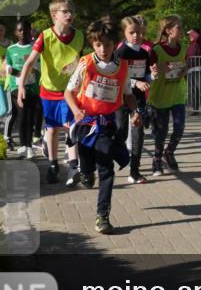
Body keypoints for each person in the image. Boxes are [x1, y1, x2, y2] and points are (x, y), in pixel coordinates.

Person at [64, 17, 139, 234]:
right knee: (87, 163)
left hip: (106, 124)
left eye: (107, 44)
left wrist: (135, 111)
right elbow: (69, 92)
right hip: (86, 123)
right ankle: (86, 172)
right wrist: (76, 110)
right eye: (98, 44)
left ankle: (102, 215)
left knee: (106, 167)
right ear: (92, 44)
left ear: (115, 43)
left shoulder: (123, 67)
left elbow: (128, 95)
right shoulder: (86, 64)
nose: (103, 49)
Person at [17, 0, 85, 185]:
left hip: (70, 91)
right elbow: (30, 62)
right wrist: (21, 85)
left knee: (71, 126)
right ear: (54, 15)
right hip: (48, 90)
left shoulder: (79, 36)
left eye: (71, 11)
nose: (69, 14)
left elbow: (81, 62)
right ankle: (53, 165)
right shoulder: (45, 36)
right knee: (53, 130)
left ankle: (73, 166)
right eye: (65, 11)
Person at [148, 15, 190, 176]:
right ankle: (157, 159)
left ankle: (169, 152)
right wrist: (157, 72)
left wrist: (184, 71)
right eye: (179, 28)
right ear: (168, 30)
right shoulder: (157, 50)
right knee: (161, 131)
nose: (182, 31)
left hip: (178, 95)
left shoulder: (184, 48)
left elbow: (184, 66)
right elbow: (149, 72)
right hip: (160, 97)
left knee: (179, 127)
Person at [115, 16, 153, 184]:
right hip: (121, 99)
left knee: (138, 135)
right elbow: (117, 77)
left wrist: (152, 76)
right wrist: (135, 82)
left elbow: (144, 78)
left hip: (138, 100)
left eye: (139, 32)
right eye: (132, 32)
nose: (136, 36)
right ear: (124, 33)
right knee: (121, 133)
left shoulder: (144, 53)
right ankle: (113, 160)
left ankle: (135, 172)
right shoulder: (121, 52)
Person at [5, 21, 41, 159]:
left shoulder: (35, 48)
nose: (22, 33)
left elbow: (39, 66)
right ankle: (24, 145)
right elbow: (7, 67)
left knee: (30, 116)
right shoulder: (11, 49)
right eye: (19, 30)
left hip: (32, 87)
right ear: (15, 33)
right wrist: (17, 73)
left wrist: (33, 70)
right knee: (21, 115)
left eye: (25, 30)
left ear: (30, 32)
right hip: (16, 87)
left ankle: (29, 146)